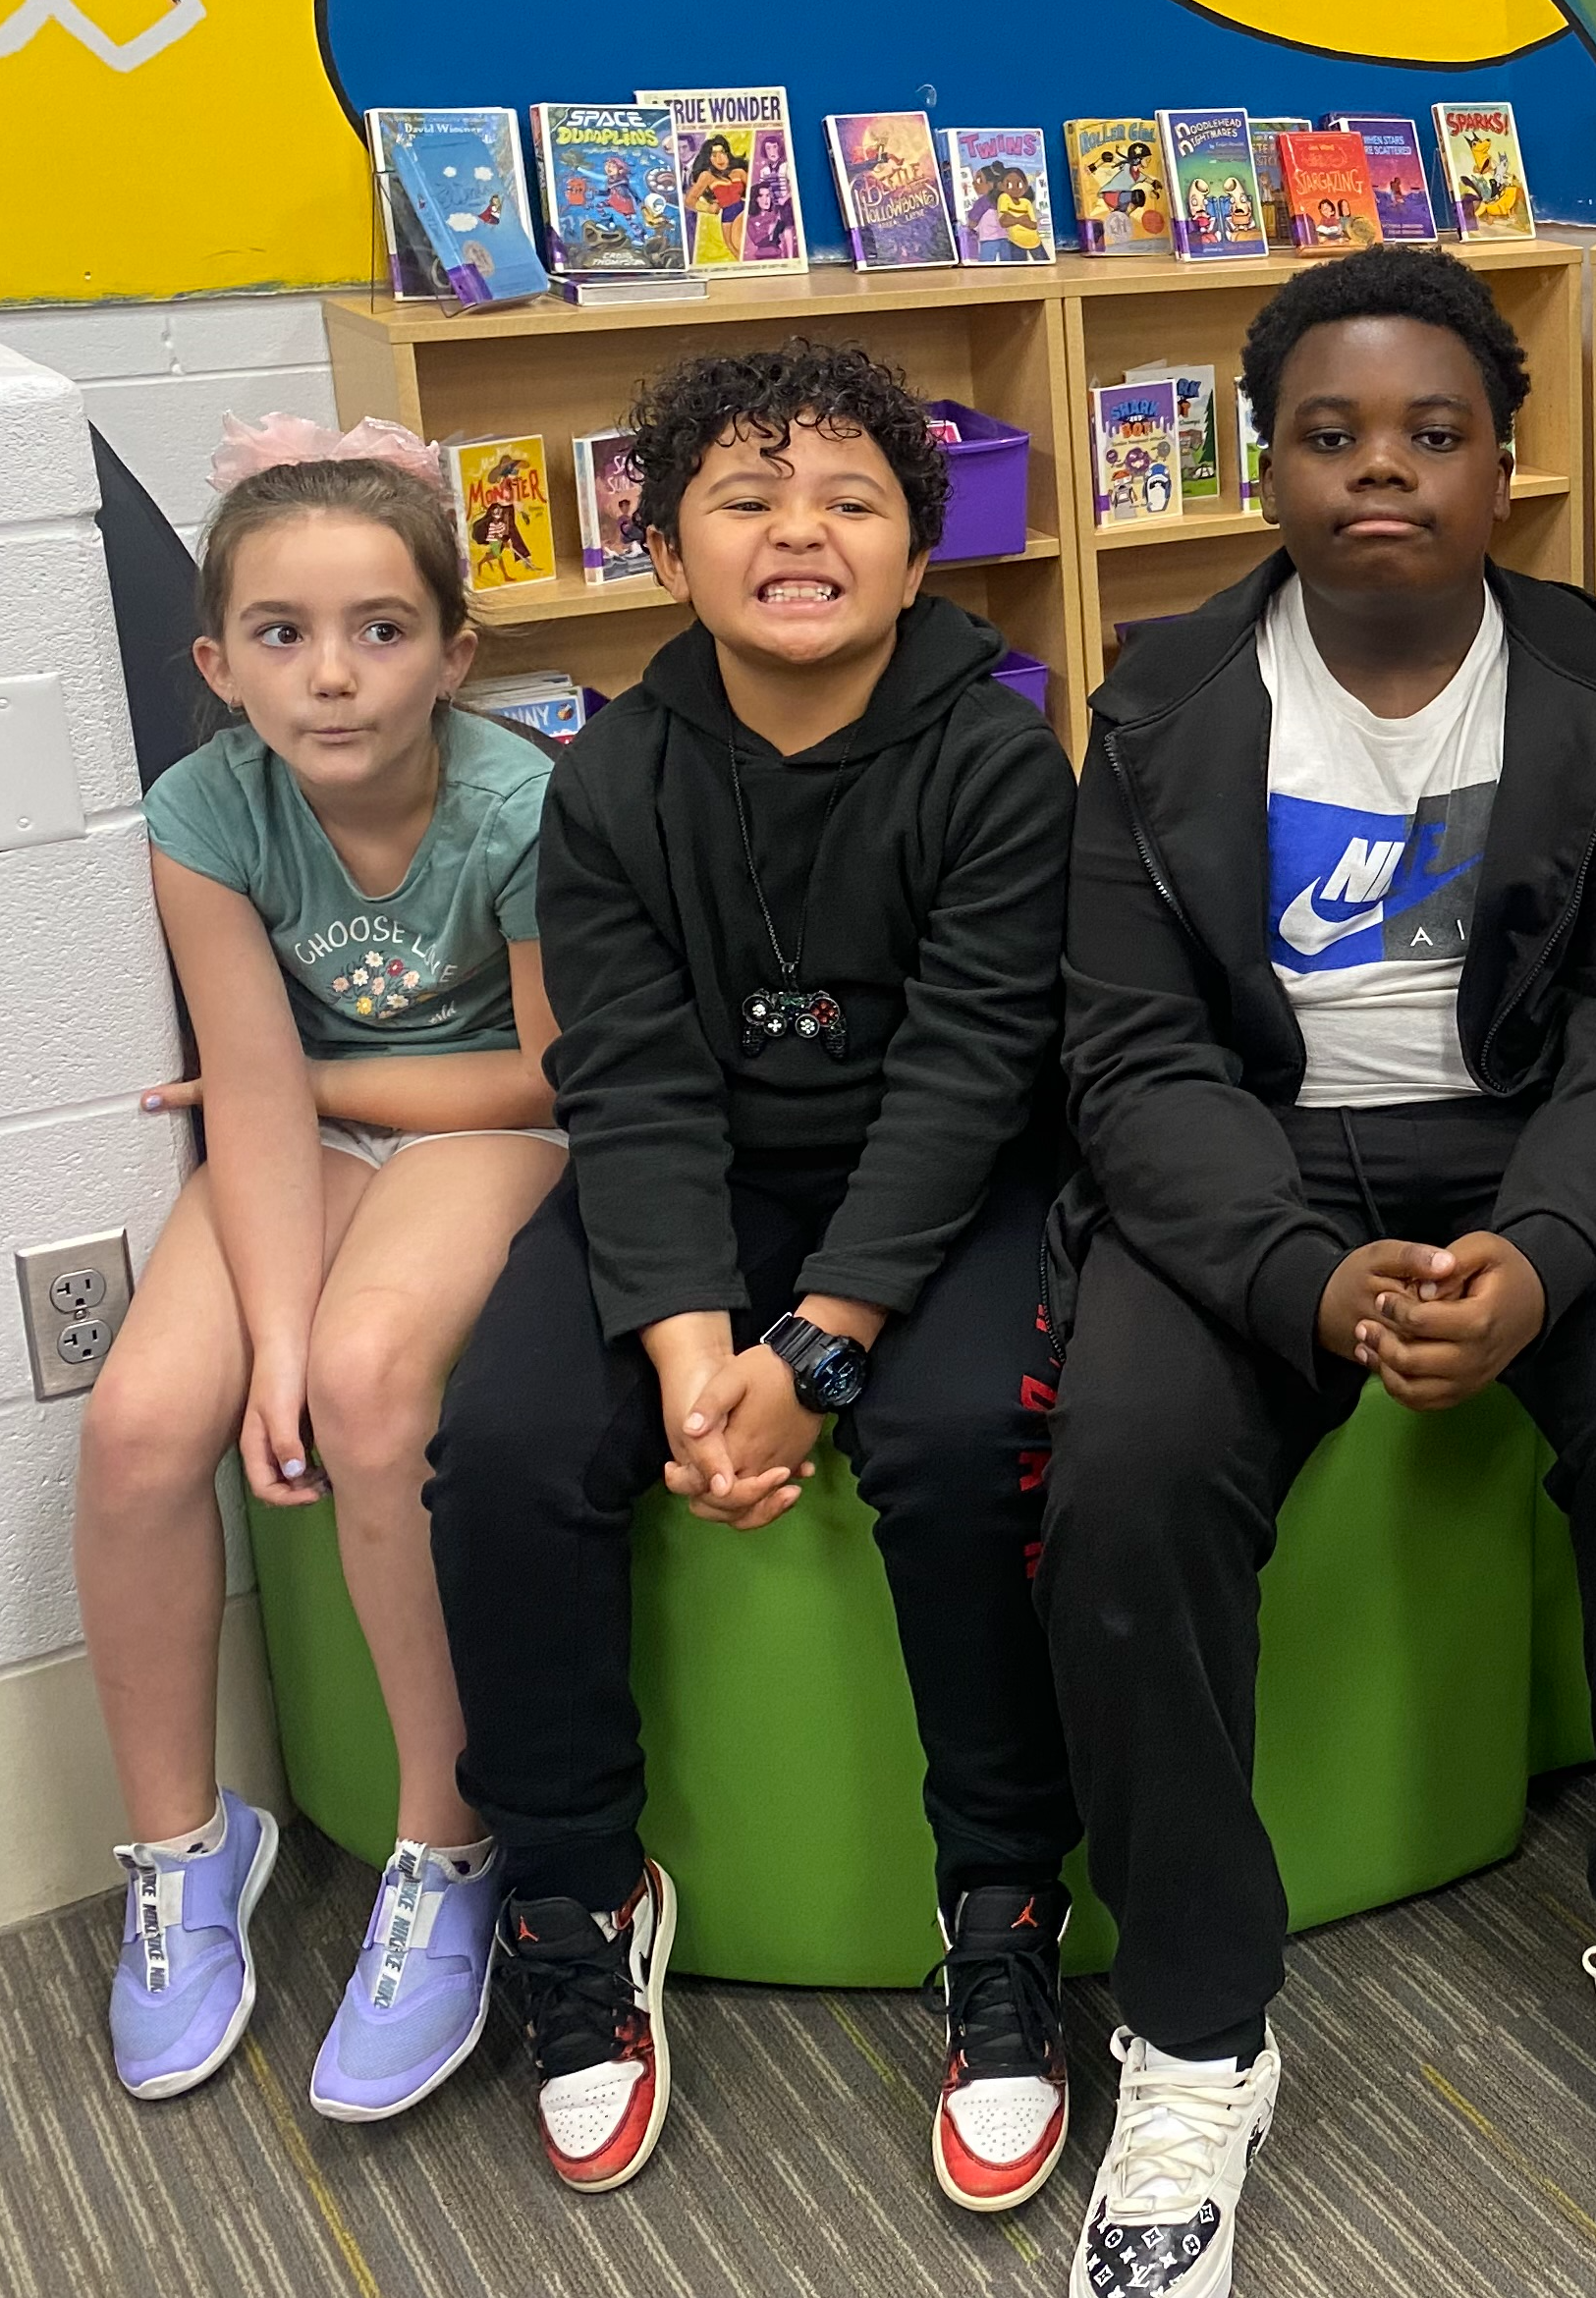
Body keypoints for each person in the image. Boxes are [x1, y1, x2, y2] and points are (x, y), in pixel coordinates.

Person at [1041, 244, 1596, 2296]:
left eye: (1434, 433)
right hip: (1251, 1171)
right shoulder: (1161, 701)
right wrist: (1301, 1278)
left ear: (1503, 462)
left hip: (1533, 1143)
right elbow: (1124, 1054)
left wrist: (1544, 1259)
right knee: (1118, 1470)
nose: (1384, 469)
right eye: (1332, 435)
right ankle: (1192, 2034)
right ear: (1262, 467)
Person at [424, 340, 1083, 2206]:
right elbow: (622, 1080)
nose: (801, 530)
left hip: (939, 1203)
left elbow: (971, 1079)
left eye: (853, 499)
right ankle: (573, 1898)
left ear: (922, 543)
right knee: (508, 1447)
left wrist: (820, 1348)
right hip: (693, 1195)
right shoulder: (612, 779)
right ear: (666, 542)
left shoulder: (996, 752)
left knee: (966, 1452)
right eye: (745, 496)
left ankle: (1004, 1895)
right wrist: (698, 1361)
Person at [80, 417, 564, 2117]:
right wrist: (258, 1343)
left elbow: (543, 1073)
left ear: (455, 652)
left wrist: (321, 1088)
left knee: (369, 1388)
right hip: (291, 1126)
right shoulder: (203, 804)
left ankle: (451, 1839)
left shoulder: (519, 799)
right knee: (142, 1423)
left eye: (380, 630)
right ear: (216, 664)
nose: (333, 678)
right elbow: (249, 1088)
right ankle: (184, 1845)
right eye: (281, 636)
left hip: (486, 1125)